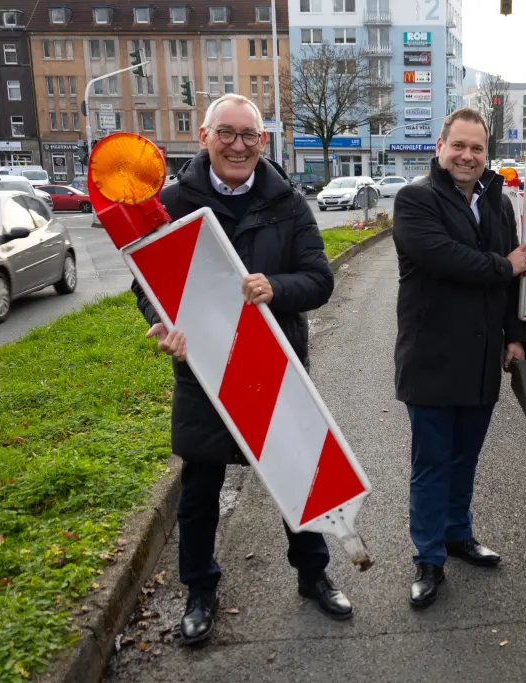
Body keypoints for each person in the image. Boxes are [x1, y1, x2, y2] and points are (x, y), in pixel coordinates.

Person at [130, 94, 351, 645]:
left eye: (249, 135)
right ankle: (200, 590)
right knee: (201, 487)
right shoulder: (173, 202)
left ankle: (314, 576)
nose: (237, 145)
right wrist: (164, 322)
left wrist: (276, 288)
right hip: (202, 370)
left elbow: (319, 281)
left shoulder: (288, 202)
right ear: (204, 137)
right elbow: (148, 282)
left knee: (296, 475)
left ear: (263, 142)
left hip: (273, 366)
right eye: (226, 133)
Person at [392, 108, 526, 609]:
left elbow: (519, 278)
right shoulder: (415, 199)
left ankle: (457, 535)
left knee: (465, 457)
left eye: (477, 149)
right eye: (459, 146)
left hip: (480, 359)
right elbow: (442, 257)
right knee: (431, 462)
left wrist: (515, 336)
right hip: (431, 356)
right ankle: (428, 558)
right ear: (440, 145)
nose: (468, 157)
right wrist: (504, 263)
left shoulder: (498, 203)